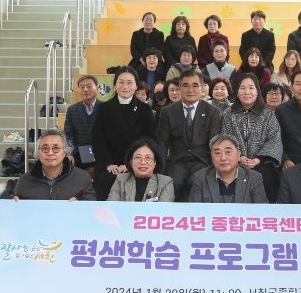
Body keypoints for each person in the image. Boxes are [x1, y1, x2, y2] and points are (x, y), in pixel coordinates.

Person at [91, 66, 157, 200]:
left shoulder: (145, 110)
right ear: (115, 84)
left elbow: (149, 140)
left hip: (136, 163)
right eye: (121, 82)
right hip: (109, 164)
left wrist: (130, 163)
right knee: (105, 183)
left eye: (129, 82)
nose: (125, 86)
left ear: (136, 85)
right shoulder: (104, 108)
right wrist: (108, 163)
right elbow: (97, 139)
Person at [157, 70, 222, 202]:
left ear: (202, 88)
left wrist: (214, 168)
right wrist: (160, 170)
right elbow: (162, 144)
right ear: (180, 88)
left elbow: (215, 144)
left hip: (202, 162)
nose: (190, 90)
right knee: (172, 184)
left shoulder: (213, 112)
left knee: (196, 183)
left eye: (195, 85)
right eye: (185, 85)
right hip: (176, 162)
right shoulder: (167, 112)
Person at [221, 73, 283, 203]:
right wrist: (239, 157)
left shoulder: (268, 114)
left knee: (265, 174)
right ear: (237, 91)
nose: (247, 92)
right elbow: (225, 138)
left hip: (262, 162)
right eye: (243, 88)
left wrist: (258, 159)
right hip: (234, 161)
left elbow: (274, 140)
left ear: (257, 91)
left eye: (251, 87)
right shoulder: (227, 114)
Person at [14, 130, 96, 201]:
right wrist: (11, 202)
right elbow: (16, 207)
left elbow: (91, 204)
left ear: (64, 152)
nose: (50, 153)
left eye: (56, 148)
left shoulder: (82, 178)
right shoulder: (24, 181)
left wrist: (81, 204)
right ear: (38, 153)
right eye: (45, 148)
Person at [189, 134, 268, 203]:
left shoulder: (254, 178)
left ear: (238, 155)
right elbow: (194, 212)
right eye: (217, 153)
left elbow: (262, 211)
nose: (223, 158)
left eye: (228, 152)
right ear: (212, 157)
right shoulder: (200, 178)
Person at [107, 138, 174, 202]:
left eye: (148, 158)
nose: (143, 162)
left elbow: (163, 208)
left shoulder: (165, 182)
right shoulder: (121, 180)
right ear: (131, 162)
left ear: (155, 162)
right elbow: (112, 206)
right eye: (138, 157)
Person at [63, 74, 102, 177]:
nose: (85, 89)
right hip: (78, 153)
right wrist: (69, 153)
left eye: (89, 86)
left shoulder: (106, 108)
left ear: (97, 88)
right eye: (82, 87)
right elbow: (68, 134)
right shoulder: (72, 110)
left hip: (100, 153)